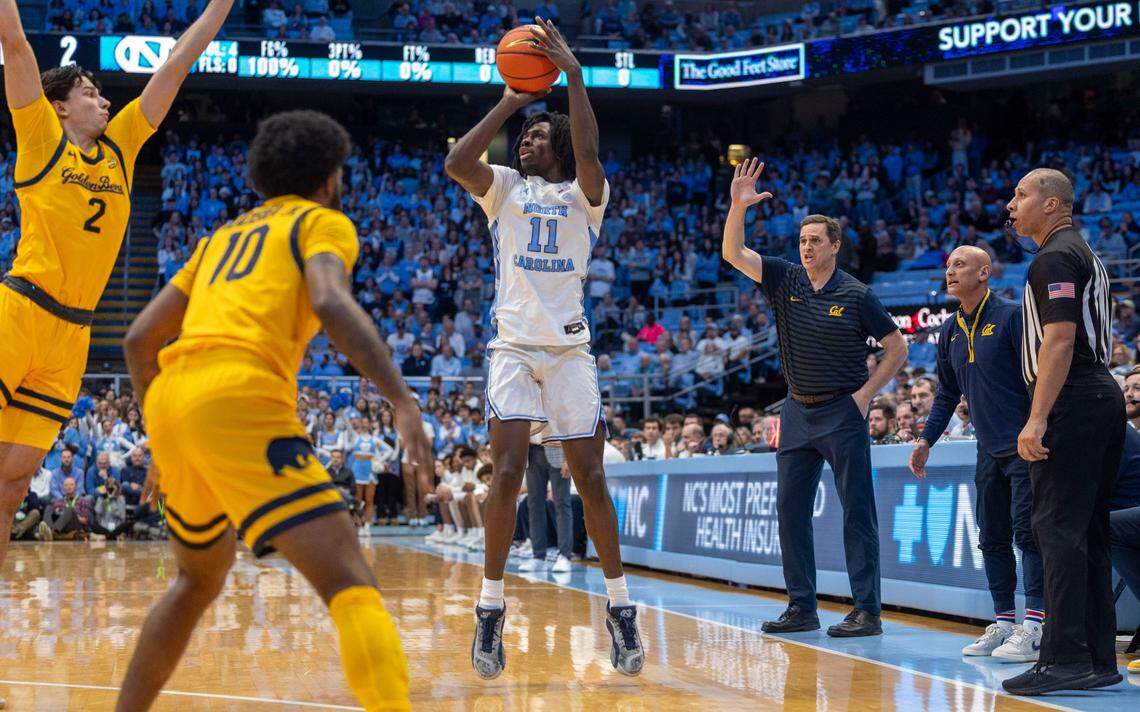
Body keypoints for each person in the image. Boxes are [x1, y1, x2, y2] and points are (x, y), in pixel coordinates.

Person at [115, 110, 432, 711]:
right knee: (350, 582)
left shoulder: (219, 239)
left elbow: (138, 340)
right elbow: (330, 301)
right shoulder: (322, 222)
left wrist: (161, 434)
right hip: (239, 393)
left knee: (196, 581)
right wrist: (401, 399)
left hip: (171, 397)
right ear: (331, 179)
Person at [0, 0, 234, 584]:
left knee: (11, 487)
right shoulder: (39, 137)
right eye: (89, 93)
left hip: (71, 334)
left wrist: (218, 7)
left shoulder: (121, 149)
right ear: (60, 106)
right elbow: (15, 43)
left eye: (103, 94)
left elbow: (176, 65)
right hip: (19, 312)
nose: (105, 100)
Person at [444, 18, 643, 679]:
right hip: (512, 349)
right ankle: (490, 609)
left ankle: (620, 608)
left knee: (589, 477)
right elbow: (455, 163)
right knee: (504, 475)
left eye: (534, 136)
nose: (524, 143)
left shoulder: (588, 194)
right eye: (521, 138)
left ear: (554, 144)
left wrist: (577, 77)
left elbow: (588, 149)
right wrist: (510, 99)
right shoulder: (502, 187)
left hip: (569, 352)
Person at [722, 158, 908, 637]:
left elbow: (897, 347)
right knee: (790, 511)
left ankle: (867, 611)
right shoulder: (784, 278)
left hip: (843, 410)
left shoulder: (858, 294)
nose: (806, 248)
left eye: (815, 241)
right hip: (797, 408)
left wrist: (866, 395)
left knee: (857, 513)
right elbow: (732, 253)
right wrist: (737, 206)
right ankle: (802, 607)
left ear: (835, 247)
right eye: (802, 241)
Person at [1002, 168, 1124, 696]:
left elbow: (1058, 341)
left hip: (1073, 396)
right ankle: (1097, 659)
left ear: (1052, 205)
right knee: (1089, 531)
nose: (1012, 204)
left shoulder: (1053, 255)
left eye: (1021, 195)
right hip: (1100, 396)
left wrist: (1036, 416)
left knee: (1057, 531)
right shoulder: (1082, 251)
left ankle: (1064, 659)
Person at [909, 245, 1044, 662]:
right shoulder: (948, 330)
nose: (950, 272)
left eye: (959, 265)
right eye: (948, 266)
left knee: (1029, 536)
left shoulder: (1011, 317)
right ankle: (1004, 623)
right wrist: (927, 439)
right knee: (992, 537)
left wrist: (1039, 425)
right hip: (988, 448)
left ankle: (1037, 627)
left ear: (984, 273)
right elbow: (948, 392)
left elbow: (1039, 376)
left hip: (1025, 444)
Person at [521, 438, 573, 573]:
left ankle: (564, 556)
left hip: (557, 448)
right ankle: (538, 556)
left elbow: (567, 424)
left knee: (562, 504)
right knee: (534, 505)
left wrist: (569, 458)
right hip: (531, 451)